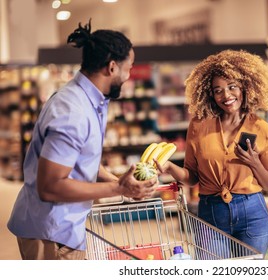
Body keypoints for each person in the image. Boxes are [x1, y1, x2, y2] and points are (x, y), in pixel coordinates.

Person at [7, 20, 158, 260]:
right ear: (111, 67)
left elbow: (82, 160)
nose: (129, 76)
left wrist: (122, 183)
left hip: (63, 227)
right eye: (128, 68)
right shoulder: (72, 111)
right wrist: (118, 188)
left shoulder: (91, 101)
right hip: (50, 232)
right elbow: (50, 186)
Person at [155, 49, 268, 256]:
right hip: (212, 212)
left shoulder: (261, 128)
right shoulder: (199, 125)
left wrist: (254, 162)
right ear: (209, 94)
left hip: (253, 213)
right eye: (218, 90)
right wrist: (168, 167)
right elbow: (192, 177)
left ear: (246, 87)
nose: (226, 95)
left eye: (232, 87)